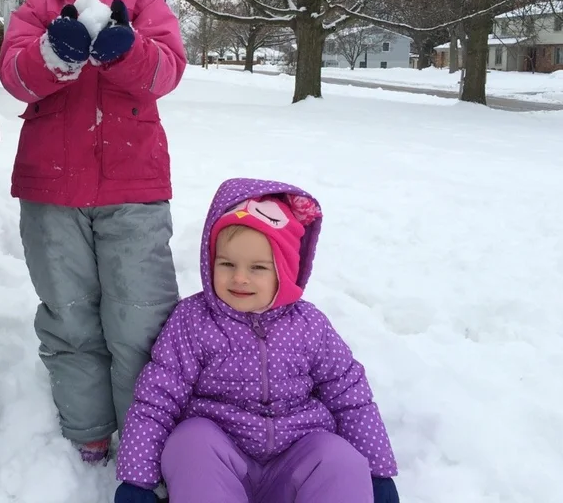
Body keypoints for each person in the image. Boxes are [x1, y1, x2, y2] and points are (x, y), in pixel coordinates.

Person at [0, 0, 187, 464]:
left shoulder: (145, 2)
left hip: (134, 191)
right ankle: (89, 430)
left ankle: (146, 434)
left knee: (140, 318)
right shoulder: (35, 10)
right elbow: (16, 77)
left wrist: (126, 53)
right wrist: (54, 52)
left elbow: (167, 70)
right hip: (51, 197)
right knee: (70, 316)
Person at [114, 177, 400, 503]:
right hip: (219, 458)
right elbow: (156, 400)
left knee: (339, 457)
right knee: (190, 441)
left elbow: (350, 397)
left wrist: (377, 471)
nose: (239, 277)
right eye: (226, 264)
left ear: (286, 270)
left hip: (296, 458)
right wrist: (137, 478)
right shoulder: (192, 321)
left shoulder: (309, 326)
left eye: (258, 267)